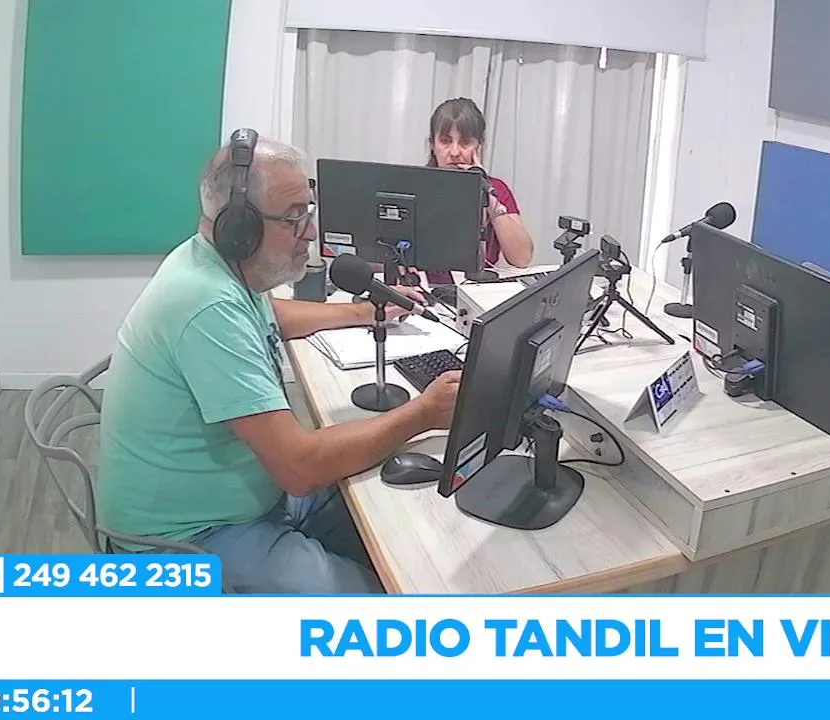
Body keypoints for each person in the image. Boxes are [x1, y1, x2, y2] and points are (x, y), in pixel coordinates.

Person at [95, 129, 461, 594]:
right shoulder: (206, 305)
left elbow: (272, 314)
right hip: (187, 539)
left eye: (308, 212)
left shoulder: (215, 267)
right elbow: (299, 468)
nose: (310, 232)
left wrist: (361, 311)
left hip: (252, 496)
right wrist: (424, 413)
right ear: (241, 229)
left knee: (396, 527)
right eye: (294, 218)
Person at [421, 97, 534, 289]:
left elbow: (522, 258)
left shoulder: (497, 189)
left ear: (479, 146)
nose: (454, 152)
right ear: (433, 144)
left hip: (478, 292)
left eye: (465, 142)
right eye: (445, 141)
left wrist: (489, 198)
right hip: (426, 294)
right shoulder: (417, 187)